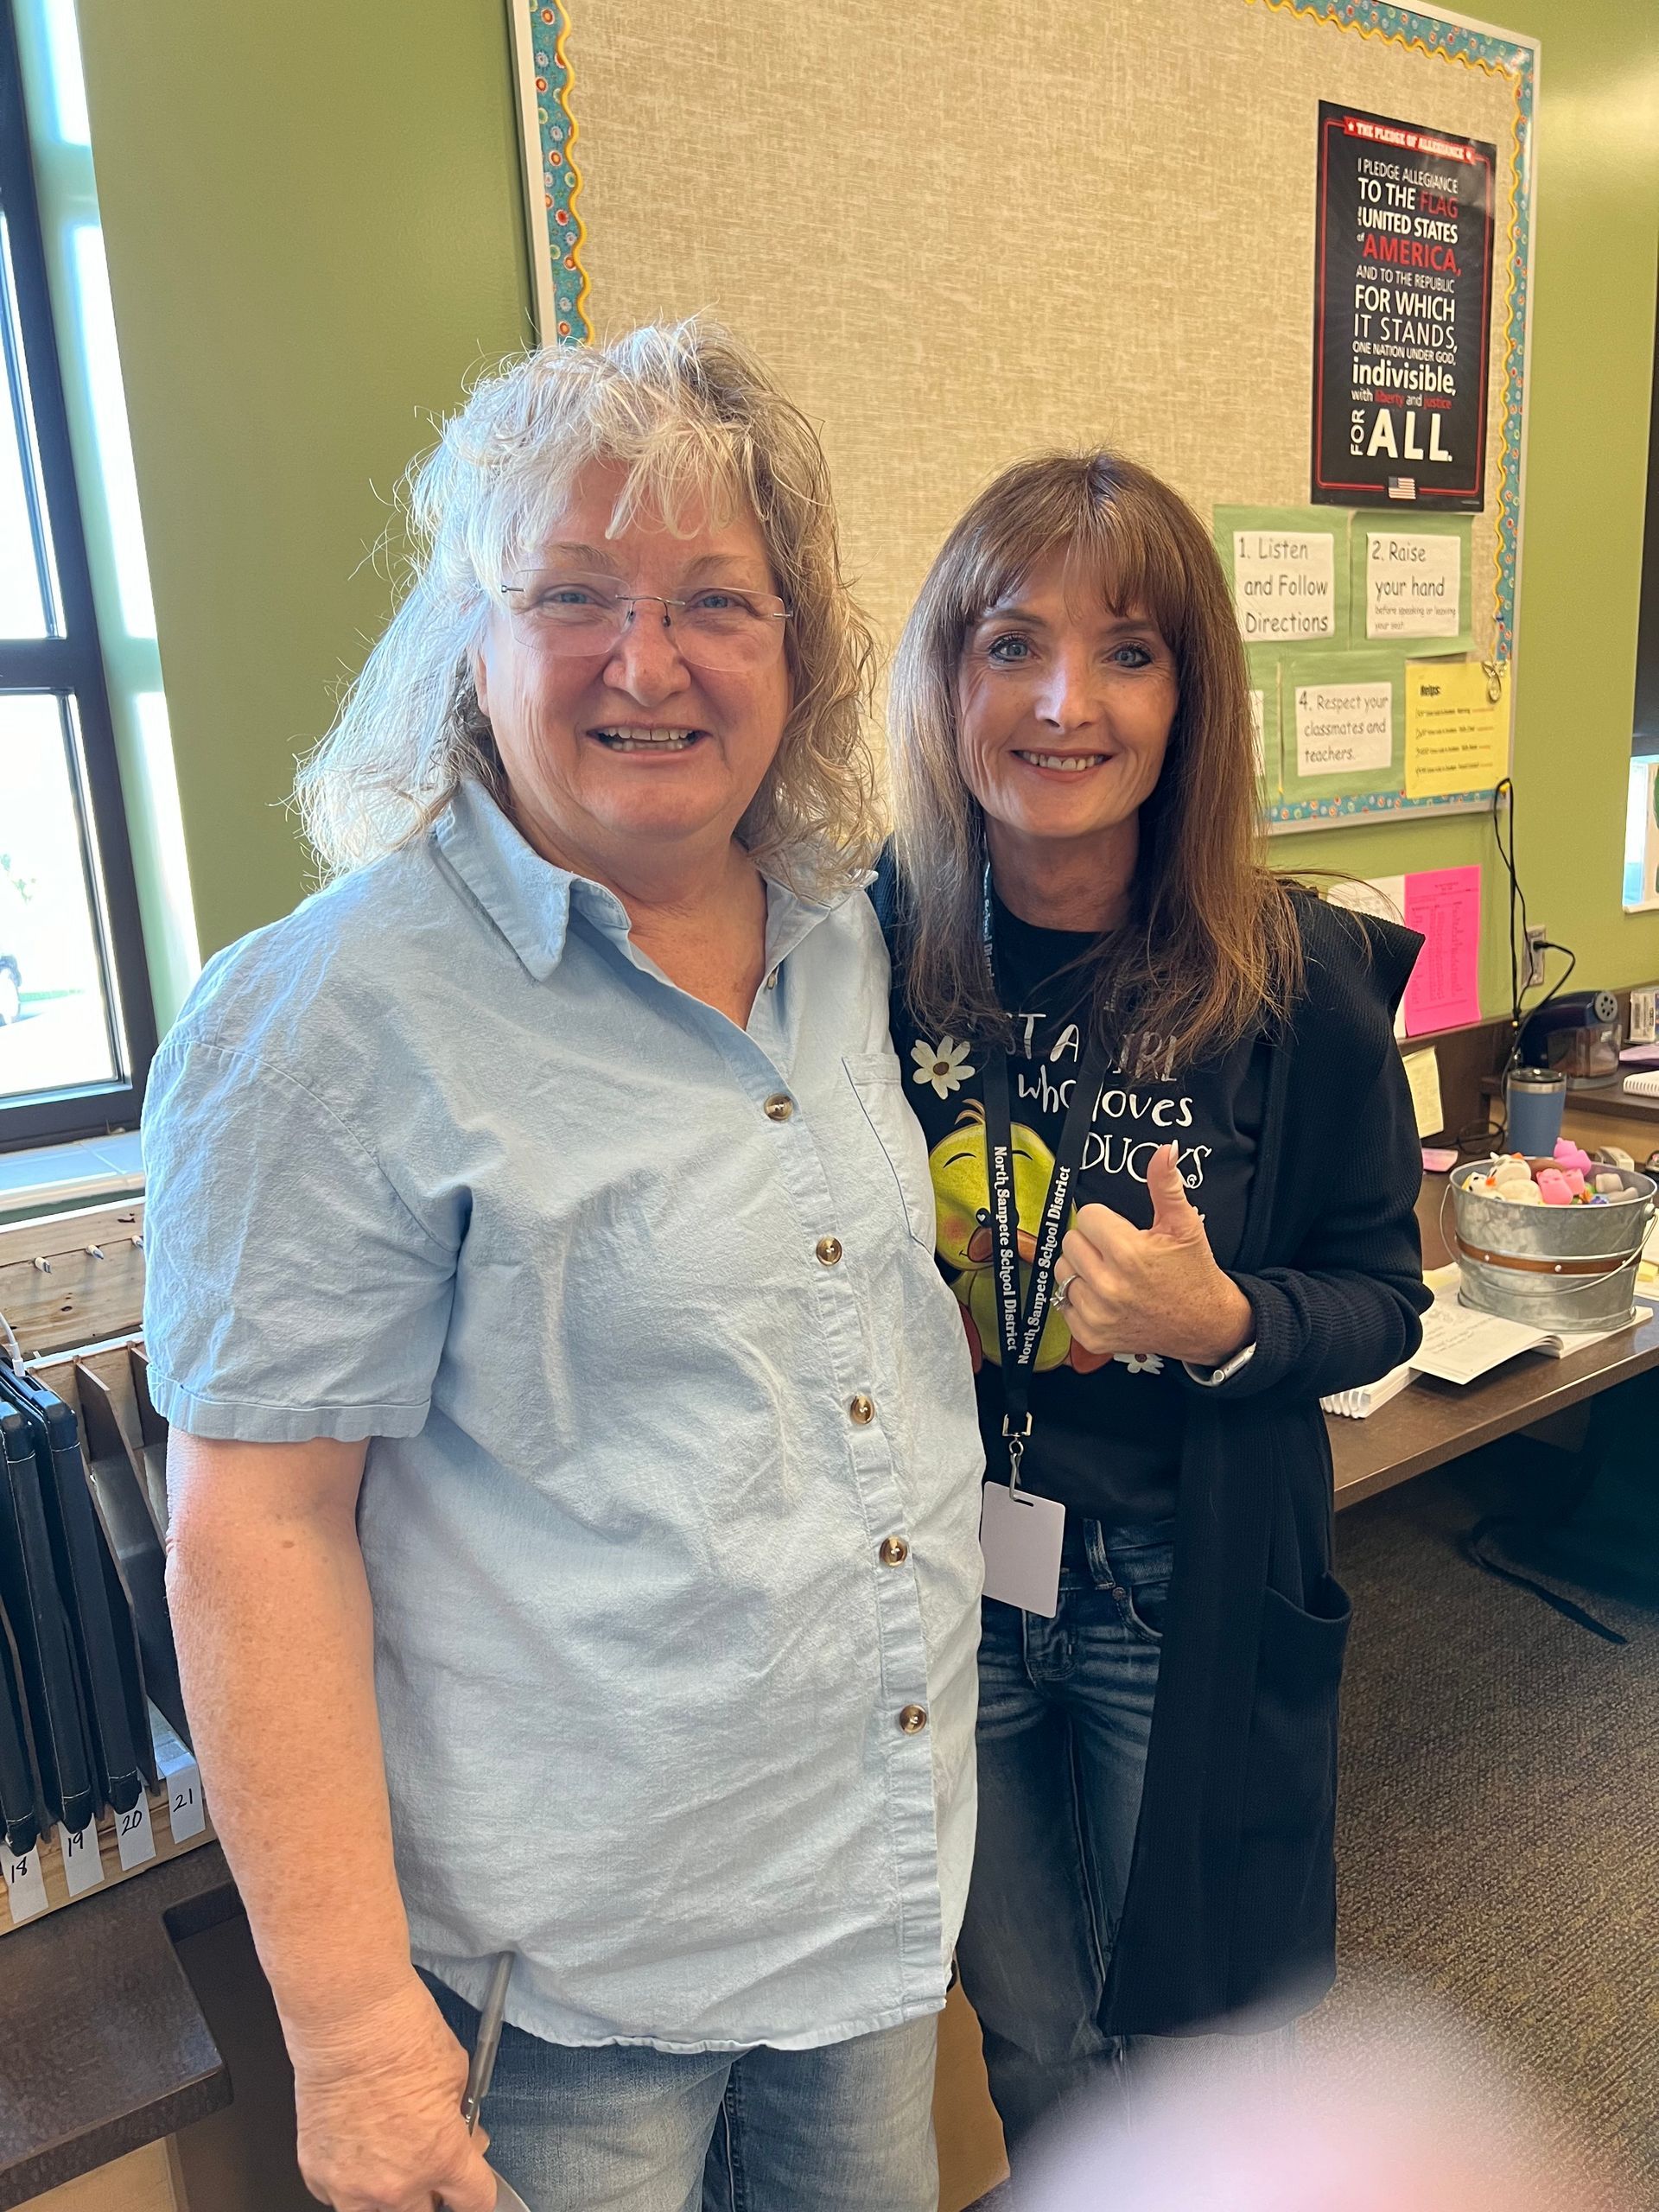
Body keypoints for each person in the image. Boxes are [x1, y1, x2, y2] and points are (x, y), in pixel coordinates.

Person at [142, 321, 984, 2212]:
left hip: (865, 1890)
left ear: (801, 647)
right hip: (575, 1997)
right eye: (576, 595)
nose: (649, 661)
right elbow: (253, 1530)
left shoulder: (849, 932)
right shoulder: (332, 1017)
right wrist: (357, 2033)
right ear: (474, 637)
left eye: (716, 601)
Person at [877, 448, 1431, 2164]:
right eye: (1009, 642)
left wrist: (1224, 1316)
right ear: (947, 674)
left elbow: (1381, 1294)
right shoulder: (867, 947)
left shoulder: (1295, 974)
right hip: (944, 1580)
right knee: (1033, 2029)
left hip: (1170, 1579)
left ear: (1192, 696)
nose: (1063, 700)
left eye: (1126, 650)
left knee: (1195, 2037)